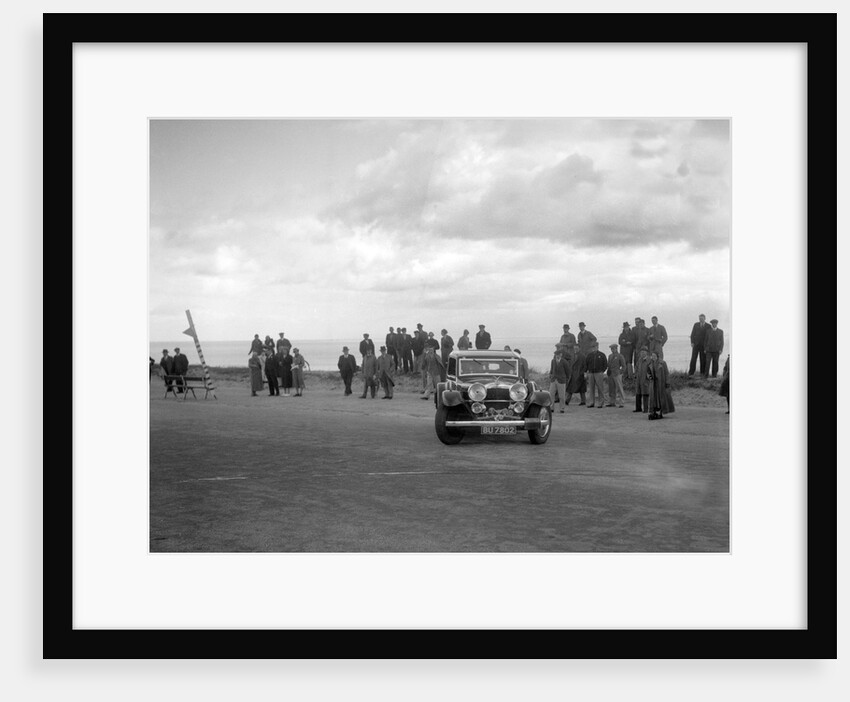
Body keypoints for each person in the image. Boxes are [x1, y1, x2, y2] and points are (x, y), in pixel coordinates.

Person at [647, 351, 674, 420]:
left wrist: (667, 382)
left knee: (661, 398)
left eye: (654, 356)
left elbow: (666, 373)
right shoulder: (650, 363)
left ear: (657, 356)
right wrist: (649, 377)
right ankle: (654, 411)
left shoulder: (663, 363)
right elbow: (648, 373)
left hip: (661, 383)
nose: (653, 357)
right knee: (654, 398)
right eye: (652, 356)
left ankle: (662, 411)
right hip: (654, 384)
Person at [584, 341, 608, 408]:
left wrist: (602, 371)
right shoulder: (589, 355)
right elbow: (586, 364)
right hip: (591, 373)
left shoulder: (602, 355)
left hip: (599, 373)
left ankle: (601, 403)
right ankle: (591, 402)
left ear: (598, 347)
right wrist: (586, 372)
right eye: (593, 347)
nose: (594, 348)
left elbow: (605, 364)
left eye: (595, 346)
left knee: (600, 388)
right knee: (591, 389)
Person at [548, 347, 572, 414]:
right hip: (553, 380)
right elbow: (551, 369)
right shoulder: (553, 361)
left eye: (558, 354)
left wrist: (566, 379)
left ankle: (562, 408)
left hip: (561, 380)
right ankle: (551, 408)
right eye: (556, 354)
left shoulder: (564, 362)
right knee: (551, 394)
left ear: (561, 354)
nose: (557, 355)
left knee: (561, 396)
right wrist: (550, 374)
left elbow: (568, 372)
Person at [606, 343, 626, 407]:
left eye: (613, 348)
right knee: (611, 389)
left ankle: (622, 402)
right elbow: (608, 364)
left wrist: (620, 372)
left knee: (619, 388)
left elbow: (624, 366)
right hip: (611, 374)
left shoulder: (620, 356)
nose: (612, 350)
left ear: (616, 348)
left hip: (617, 374)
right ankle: (612, 402)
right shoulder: (610, 356)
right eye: (611, 349)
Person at [633, 347, 651, 413]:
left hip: (645, 380)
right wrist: (635, 374)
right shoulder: (639, 360)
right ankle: (638, 408)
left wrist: (648, 377)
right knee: (638, 394)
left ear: (646, 352)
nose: (642, 353)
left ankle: (646, 409)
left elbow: (651, 369)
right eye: (641, 352)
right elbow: (636, 367)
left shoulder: (649, 360)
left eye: (643, 352)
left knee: (645, 394)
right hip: (638, 379)